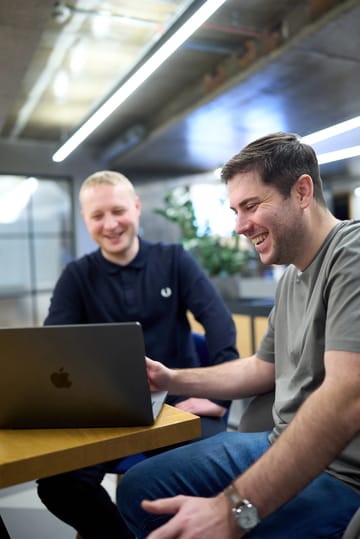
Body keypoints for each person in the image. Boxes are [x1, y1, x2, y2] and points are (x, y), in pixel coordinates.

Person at [118, 132, 360, 539]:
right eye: (234, 210)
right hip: (277, 441)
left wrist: (233, 512)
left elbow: (346, 397)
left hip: (339, 475)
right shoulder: (291, 278)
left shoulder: (351, 254)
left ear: (302, 192)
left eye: (251, 206)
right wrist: (173, 378)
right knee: (139, 489)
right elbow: (261, 368)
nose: (240, 226)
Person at [36, 170, 238, 539]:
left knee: (206, 473)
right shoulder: (76, 277)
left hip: (182, 404)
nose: (110, 224)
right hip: (107, 412)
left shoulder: (174, 259)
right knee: (57, 485)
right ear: (86, 220)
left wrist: (218, 393)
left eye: (118, 211)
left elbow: (218, 322)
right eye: (97, 216)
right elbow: (54, 350)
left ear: (137, 207)